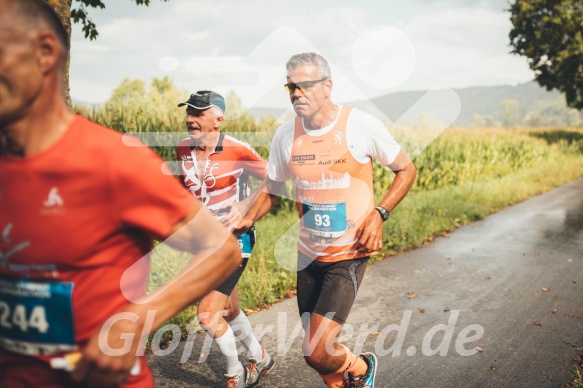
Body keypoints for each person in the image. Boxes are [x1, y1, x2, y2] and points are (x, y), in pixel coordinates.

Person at [0, 0, 241, 387]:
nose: (192, 119)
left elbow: (221, 247)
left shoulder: (112, 160)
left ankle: (241, 367)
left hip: (101, 380)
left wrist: (133, 322)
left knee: (217, 313)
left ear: (44, 53)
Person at [234, 52, 417, 388]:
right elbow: (272, 188)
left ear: (328, 86)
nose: (295, 93)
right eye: (290, 87)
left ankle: (361, 367)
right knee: (320, 352)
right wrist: (242, 220)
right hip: (307, 257)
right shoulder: (285, 135)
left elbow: (406, 169)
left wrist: (380, 213)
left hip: (347, 256)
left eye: (303, 85)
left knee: (315, 351)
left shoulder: (359, 125)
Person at [175, 91, 275, 388]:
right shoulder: (182, 149)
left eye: (198, 113)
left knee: (207, 316)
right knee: (227, 310)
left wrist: (247, 211)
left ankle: (235, 373)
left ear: (218, 119)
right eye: (189, 112)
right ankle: (260, 355)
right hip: (203, 243)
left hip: (234, 242)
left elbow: (275, 179)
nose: (190, 119)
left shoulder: (237, 149)